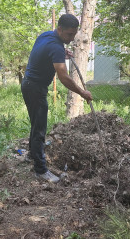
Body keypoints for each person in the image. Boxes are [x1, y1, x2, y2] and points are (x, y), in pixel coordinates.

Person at [21, 14, 93, 183]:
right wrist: (82, 92)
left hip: (28, 84)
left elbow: (46, 52)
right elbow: (64, 77)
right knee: (39, 128)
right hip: (36, 89)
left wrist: (62, 51)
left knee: (35, 123)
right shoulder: (56, 47)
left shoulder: (47, 35)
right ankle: (40, 170)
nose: (72, 38)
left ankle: (32, 155)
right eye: (69, 35)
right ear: (59, 29)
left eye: (74, 35)